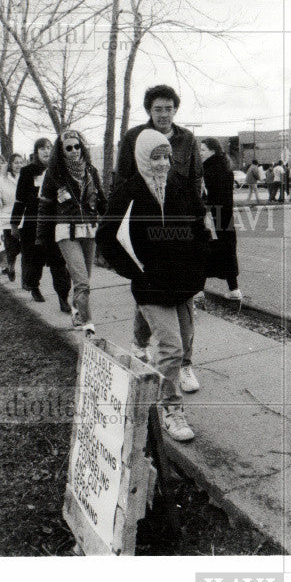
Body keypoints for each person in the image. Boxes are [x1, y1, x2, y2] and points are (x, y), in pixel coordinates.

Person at [97, 129, 210, 442]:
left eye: (165, 157)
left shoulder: (178, 185)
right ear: (142, 158)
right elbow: (106, 236)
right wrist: (134, 270)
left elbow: (199, 226)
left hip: (183, 281)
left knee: (186, 342)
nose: (161, 163)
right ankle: (170, 410)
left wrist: (199, 269)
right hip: (150, 283)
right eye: (155, 157)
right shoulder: (128, 191)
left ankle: (138, 341)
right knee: (172, 348)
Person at [116, 85, 203, 370]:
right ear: (149, 111)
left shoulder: (187, 138)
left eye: (169, 108)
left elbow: (194, 178)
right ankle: (141, 345)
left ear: (175, 110)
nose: (164, 114)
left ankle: (184, 364)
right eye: (158, 109)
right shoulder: (133, 138)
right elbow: (125, 180)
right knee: (151, 292)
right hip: (147, 222)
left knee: (177, 303)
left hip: (178, 213)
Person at [37, 131, 107, 336]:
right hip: (66, 231)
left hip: (89, 229)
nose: (74, 151)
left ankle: (77, 310)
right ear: (61, 151)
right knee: (81, 281)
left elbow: (102, 200)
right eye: (68, 148)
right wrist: (41, 237)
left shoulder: (91, 171)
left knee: (85, 279)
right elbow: (45, 207)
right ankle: (88, 325)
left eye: (77, 146)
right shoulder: (53, 174)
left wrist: (112, 221)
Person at [10, 138, 72, 311]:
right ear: (36, 152)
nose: (46, 152)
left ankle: (63, 298)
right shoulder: (28, 171)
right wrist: (14, 224)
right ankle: (34, 287)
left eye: (49, 148)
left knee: (59, 263)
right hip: (33, 224)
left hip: (54, 223)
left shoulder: (59, 169)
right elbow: (20, 199)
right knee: (34, 261)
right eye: (42, 149)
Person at [200, 137, 242, 302]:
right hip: (226, 217)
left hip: (211, 217)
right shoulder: (226, 168)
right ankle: (234, 289)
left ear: (212, 151)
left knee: (204, 251)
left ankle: (198, 292)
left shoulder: (207, 170)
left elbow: (207, 197)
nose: (200, 153)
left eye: (203, 150)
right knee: (228, 252)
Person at [0, 154, 24, 282]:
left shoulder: (26, 177)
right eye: (15, 163)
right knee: (11, 248)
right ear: (10, 164)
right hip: (8, 217)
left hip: (24, 218)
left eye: (20, 162)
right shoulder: (3, 179)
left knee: (25, 248)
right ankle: (11, 267)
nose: (18, 165)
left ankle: (27, 277)